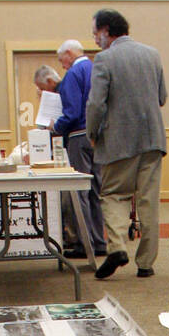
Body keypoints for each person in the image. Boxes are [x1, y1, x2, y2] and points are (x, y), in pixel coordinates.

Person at [86, 8, 167, 279]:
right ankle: (146, 263)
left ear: (107, 31)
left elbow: (96, 103)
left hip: (118, 141)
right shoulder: (153, 54)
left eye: (96, 33)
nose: (95, 39)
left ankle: (118, 248)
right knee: (148, 201)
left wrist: (92, 132)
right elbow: (162, 97)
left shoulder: (104, 59)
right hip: (153, 139)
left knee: (113, 194)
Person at [49, 41, 107, 257]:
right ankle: (100, 242)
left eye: (61, 59)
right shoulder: (95, 68)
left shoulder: (74, 73)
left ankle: (85, 244)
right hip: (98, 137)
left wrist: (56, 126)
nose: (62, 65)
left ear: (69, 53)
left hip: (78, 136)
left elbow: (71, 113)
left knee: (79, 190)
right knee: (96, 191)